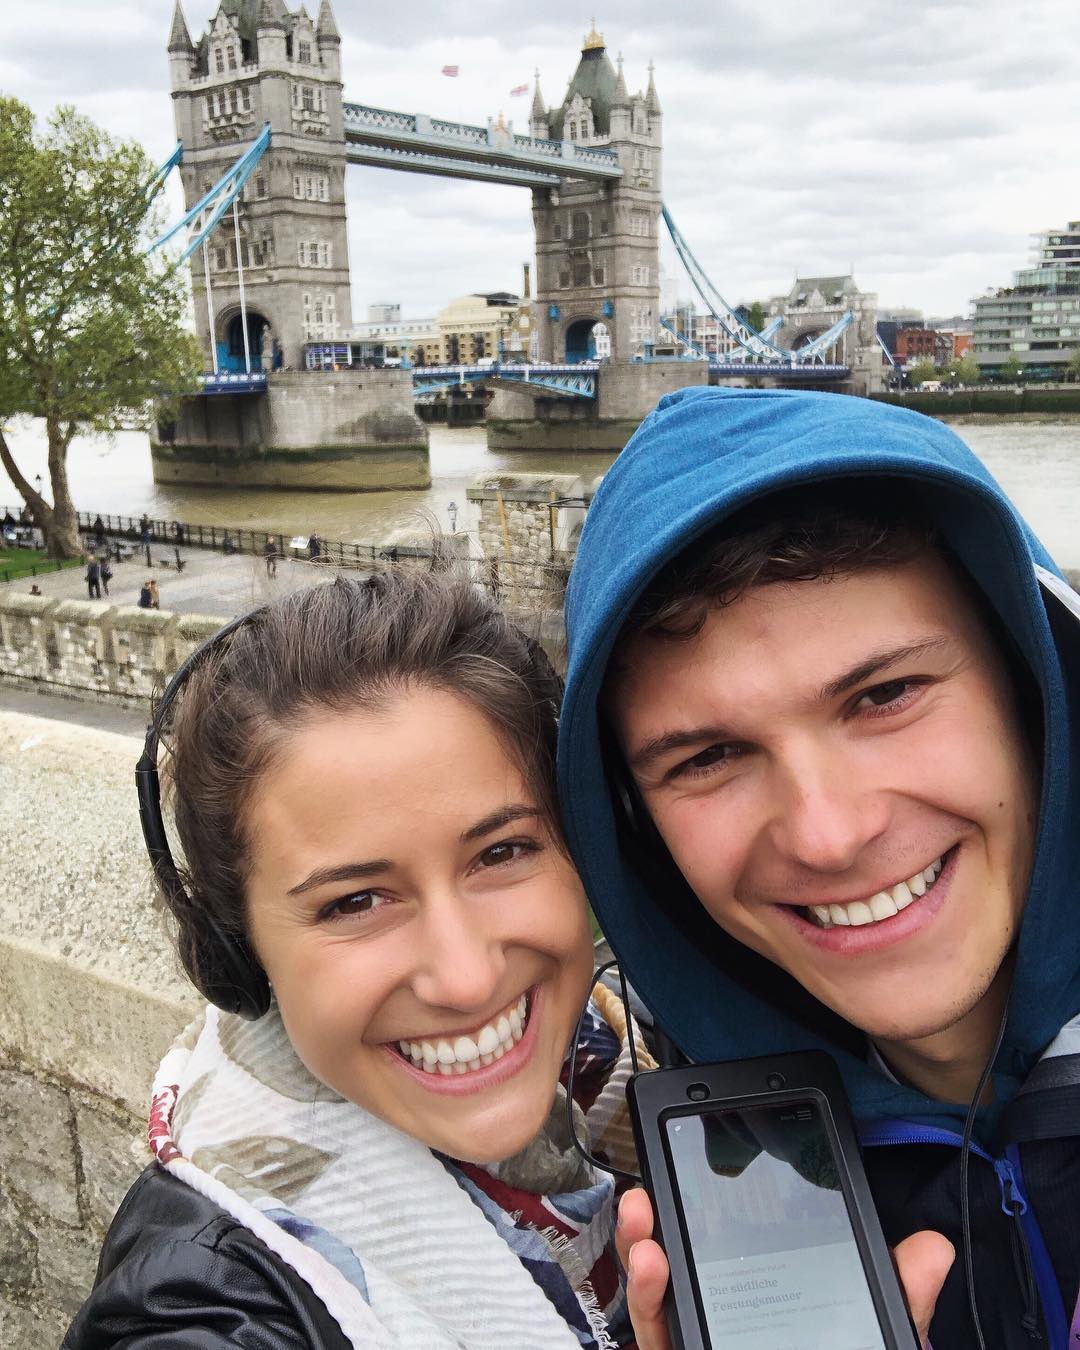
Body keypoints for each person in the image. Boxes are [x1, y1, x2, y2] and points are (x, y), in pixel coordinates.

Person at [558, 387, 1080, 1348]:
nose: (829, 834)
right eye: (708, 758)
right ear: (636, 836)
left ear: (1037, 690)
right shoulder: (739, 1203)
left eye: (886, 695)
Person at [66, 573, 649, 1349]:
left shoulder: (627, 1064)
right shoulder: (199, 1305)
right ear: (237, 954)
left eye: (501, 853)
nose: (466, 978)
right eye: (356, 902)